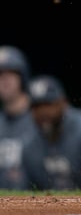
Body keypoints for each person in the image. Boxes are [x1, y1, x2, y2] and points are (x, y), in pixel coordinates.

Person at [22, 75, 81, 190]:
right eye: (36, 106)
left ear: (63, 103)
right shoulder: (29, 141)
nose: (43, 112)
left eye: (48, 104)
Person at [0, 45, 35, 190]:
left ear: (23, 77)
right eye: (0, 74)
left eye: (11, 73)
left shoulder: (41, 120)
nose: (5, 80)